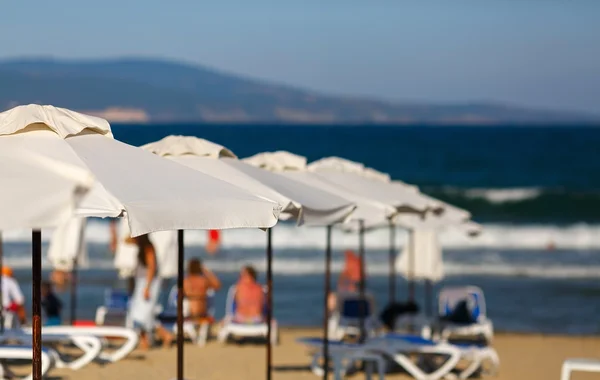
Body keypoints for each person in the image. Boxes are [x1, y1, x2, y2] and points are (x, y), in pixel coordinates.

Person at [156, 258, 221, 347]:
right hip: (202, 313)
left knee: (160, 318)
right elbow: (217, 285)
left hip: (188, 314)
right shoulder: (204, 281)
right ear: (200, 268)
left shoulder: (185, 282)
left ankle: (167, 337)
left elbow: (178, 299)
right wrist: (207, 271)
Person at [127, 234, 161, 350]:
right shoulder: (143, 246)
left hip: (147, 283)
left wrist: (147, 287)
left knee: (142, 314)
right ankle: (147, 339)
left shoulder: (148, 248)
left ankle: (146, 340)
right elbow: (126, 240)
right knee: (142, 314)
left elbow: (152, 268)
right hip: (143, 282)